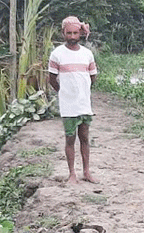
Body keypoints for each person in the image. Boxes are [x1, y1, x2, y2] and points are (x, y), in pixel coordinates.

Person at [48, 16, 98, 184]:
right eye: (68, 33)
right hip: (68, 105)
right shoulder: (57, 54)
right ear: (63, 33)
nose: (72, 36)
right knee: (70, 138)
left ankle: (86, 172)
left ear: (80, 34)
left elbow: (92, 78)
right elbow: (52, 79)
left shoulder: (87, 54)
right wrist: (65, 92)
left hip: (84, 104)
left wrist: (82, 91)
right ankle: (72, 174)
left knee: (84, 137)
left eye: (75, 33)